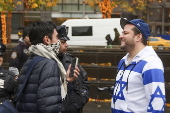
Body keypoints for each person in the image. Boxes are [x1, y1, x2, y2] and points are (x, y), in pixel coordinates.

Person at [15, 21, 79, 113]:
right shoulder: (49, 64)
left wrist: (67, 80)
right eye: (57, 37)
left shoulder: (31, 60)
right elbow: (49, 106)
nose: (58, 41)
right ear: (47, 40)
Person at [111, 18, 165, 113]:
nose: (120, 36)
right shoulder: (123, 60)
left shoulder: (151, 63)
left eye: (125, 33)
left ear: (138, 37)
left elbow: (157, 103)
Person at [57, 25, 89, 113]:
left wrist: (82, 98)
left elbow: (84, 79)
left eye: (66, 42)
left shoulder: (70, 60)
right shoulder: (48, 62)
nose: (67, 45)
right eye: (63, 42)